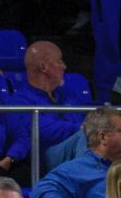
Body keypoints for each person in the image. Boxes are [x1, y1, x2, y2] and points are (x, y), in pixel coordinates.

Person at [11, 41, 87, 171]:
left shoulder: (67, 95)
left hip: (76, 154)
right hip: (44, 162)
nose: (64, 66)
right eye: (59, 61)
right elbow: (42, 129)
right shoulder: (20, 101)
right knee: (85, 136)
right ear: (44, 67)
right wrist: (84, 128)